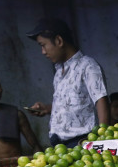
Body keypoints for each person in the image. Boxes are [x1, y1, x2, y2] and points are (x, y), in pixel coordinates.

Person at [25, 18, 110, 146]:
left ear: (59, 41)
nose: (43, 52)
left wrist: (104, 141)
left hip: (81, 141)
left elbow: (101, 101)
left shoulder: (88, 66)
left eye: (43, 45)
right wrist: (47, 109)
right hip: (59, 144)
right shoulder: (59, 71)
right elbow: (72, 104)